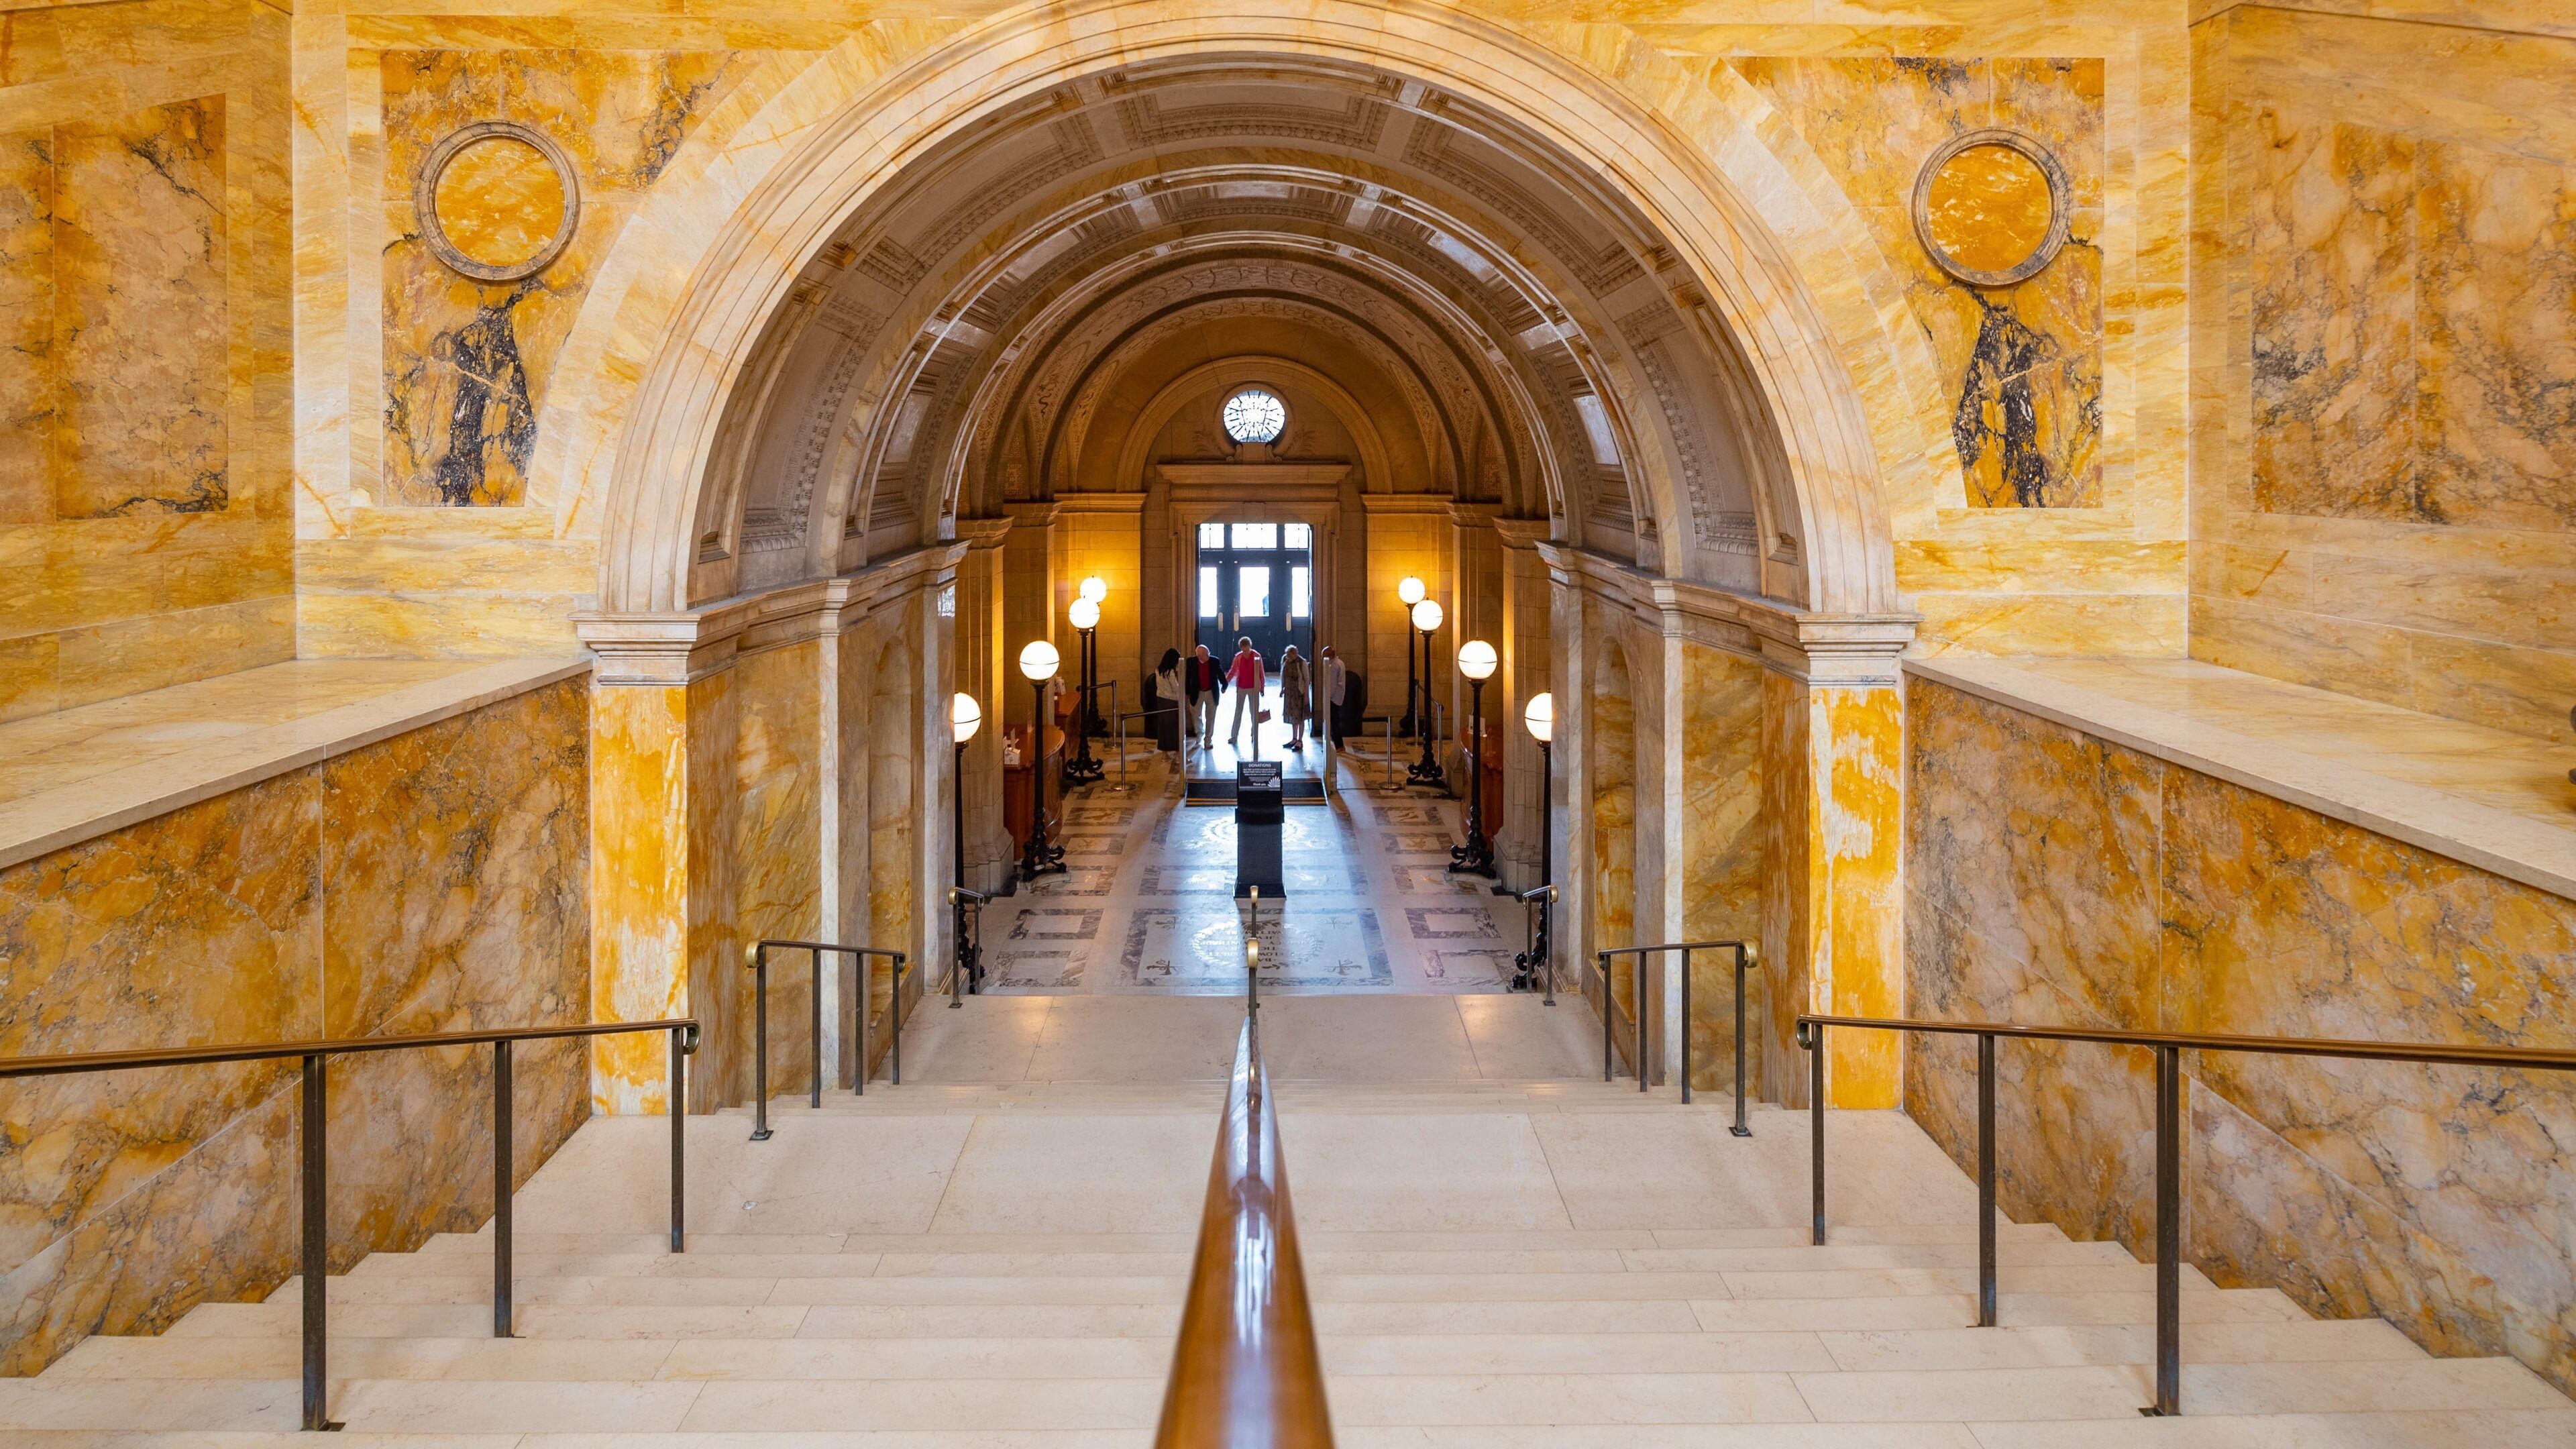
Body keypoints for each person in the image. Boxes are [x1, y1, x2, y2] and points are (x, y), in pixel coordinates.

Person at [1227, 636, 1265, 747]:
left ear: (1250, 647)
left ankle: (1255, 734)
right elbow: (1233, 670)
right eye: (1244, 650)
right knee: (1238, 711)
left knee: (1254, 712)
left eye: (1247, 650)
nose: (1246, 652)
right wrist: (1226, 683)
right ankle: (1234, 736)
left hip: (1254, 687)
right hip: (1242, 687)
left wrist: (1262, 688)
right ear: (1241, 649)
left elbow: (1261, 673)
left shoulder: (1257, 656)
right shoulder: (1238, 657)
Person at [1185, 644, 1220, 747]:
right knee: (1196, 714)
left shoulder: (1214, 661)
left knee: (1210, 717)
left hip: (1211, 692)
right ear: (1199, 655)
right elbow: (1188, 678)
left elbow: (1220, 673)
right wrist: (1187, 693)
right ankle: (1199, 732)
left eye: (1208, 654)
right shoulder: (1191, 662)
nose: (1208, 656)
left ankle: (1208, 740)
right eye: (1206, 655)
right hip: (1197, 692)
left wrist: (1225, 685)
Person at [1150, 647, 1183, 753]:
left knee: (1163, 725)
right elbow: (1175, 688)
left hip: (1161, 699)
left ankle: (1164, 748)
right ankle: (1174, 747)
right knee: (1173, 726)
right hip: (1171, 701)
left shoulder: (1158, 669)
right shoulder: (1171, 672)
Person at [1278, 645, 1311, 751]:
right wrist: (1283, 688)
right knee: (1293, 716)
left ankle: (1300, 741)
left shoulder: (1302, 662)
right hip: (1289, 692)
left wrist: (1306, 695)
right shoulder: (1285, 660)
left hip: (1299, 692)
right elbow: (1283, 674)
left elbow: (1306, 679)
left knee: (1300, 716)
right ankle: (1294, 738)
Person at [1320, 644, 1348, 747]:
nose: (1322, 660)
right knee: (1334, 720)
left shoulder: (1332, 666)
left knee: (1333, 722)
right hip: (1339, 696)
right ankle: (1334, 743)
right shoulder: (1340, 662)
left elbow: (1331, 685)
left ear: (1329, 657)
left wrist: (1327, 698)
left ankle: (1339, 745)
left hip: (1333, 698)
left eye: (1323, 657)